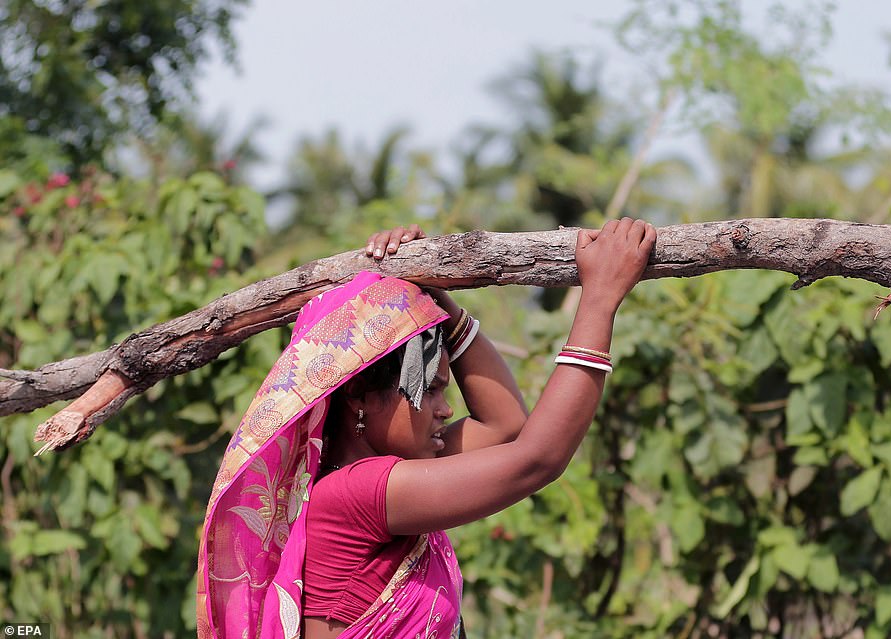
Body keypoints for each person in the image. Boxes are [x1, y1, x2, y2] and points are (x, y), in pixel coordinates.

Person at [196, 218, 657, 639]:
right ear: (357, 395)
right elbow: (536, 458)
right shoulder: (357, 493)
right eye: (429, 390)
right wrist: (600, 297)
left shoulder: (373, 481)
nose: (444, 408)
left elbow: (505, 425)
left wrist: (432, 295)